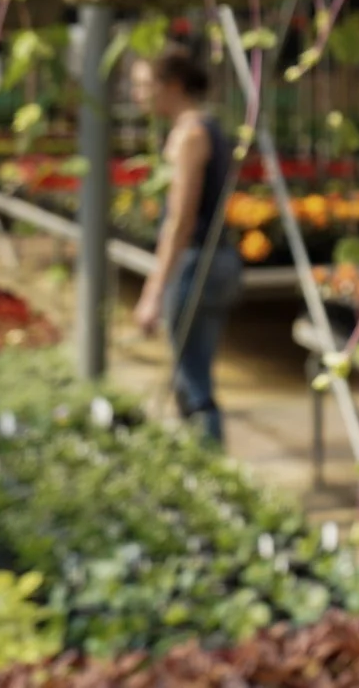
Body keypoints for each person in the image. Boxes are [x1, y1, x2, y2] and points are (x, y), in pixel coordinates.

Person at [128, 44, 242, 444]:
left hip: (198, 263)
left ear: (172, 85)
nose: (137, 94)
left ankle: (209, 467)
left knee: (191, 377)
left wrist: (153, 290)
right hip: (220, 259)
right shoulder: (208, 126)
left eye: (145, 85)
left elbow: (180, 219)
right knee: (197, 366)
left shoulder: (190, 135)